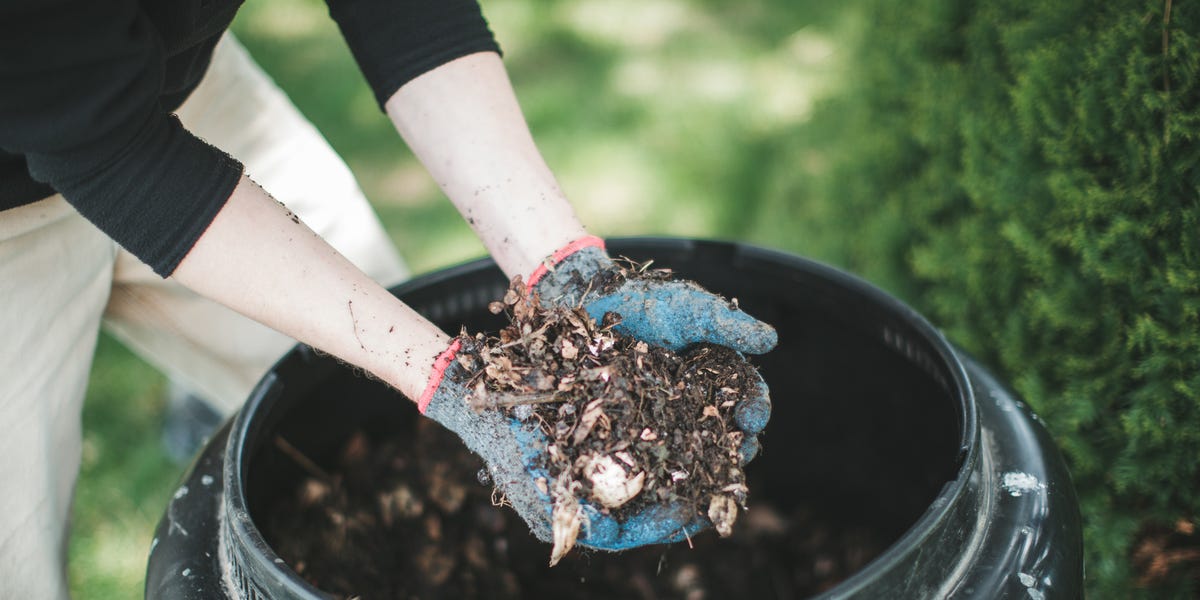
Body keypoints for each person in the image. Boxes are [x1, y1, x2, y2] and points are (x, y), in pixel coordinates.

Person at [0, 1, 777, 597]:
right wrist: (449, 377)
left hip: (161, 85)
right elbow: (106, 145)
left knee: (375, 436)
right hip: (36, 164)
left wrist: (563, 268)